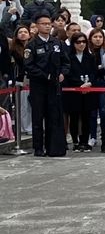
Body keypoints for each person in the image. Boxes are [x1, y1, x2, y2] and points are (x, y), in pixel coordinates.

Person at [23, 12, 67, 157]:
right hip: (39, 85)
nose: (47, 26)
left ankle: (52, 146)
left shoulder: (57, 43)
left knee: (53, 115)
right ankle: (38, 147)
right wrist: (45, 75)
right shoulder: (32, 44)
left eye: (49, 24)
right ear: (37, 25)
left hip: (54, 85)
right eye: (43, 24)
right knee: (38, 116)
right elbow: (29, 65)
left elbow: (65, 61)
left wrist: (62, 73)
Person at [63, 32, 99, 151]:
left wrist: (89, 83)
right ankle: (75, 141)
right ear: (73, 43)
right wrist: (80, 84)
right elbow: (68, 74)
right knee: (74, 116)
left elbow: (94, 73)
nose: (81, 44)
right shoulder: (68, 57)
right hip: (74, 91)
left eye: (84, 42)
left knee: (86, 116)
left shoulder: (90, 57)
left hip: (88, 90)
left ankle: (84, 141)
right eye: (78, 42)